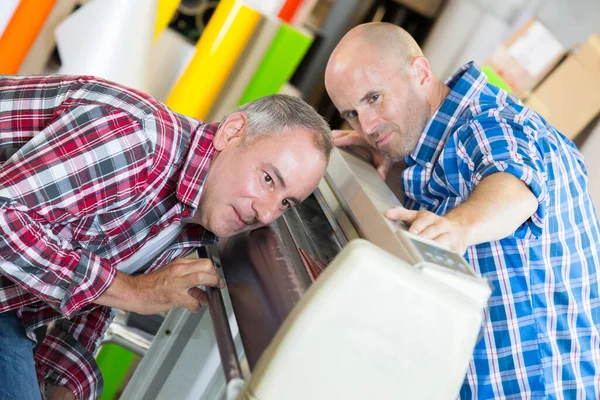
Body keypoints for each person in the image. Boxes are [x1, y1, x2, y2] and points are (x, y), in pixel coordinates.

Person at [0, 74, 332, 400]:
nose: (266, 214)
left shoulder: (194, 216)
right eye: (268, 179)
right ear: (232, 133)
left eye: (286, 203)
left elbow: (100, 295)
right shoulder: (139, 141)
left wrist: (64, 381)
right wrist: (134, 291)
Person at [324, 22, 600, 399]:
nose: (368, 124)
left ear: (420, 72)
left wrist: (458, 227)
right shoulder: (431, 138)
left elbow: (515, 186)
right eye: (352, 112)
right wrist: (387, 153)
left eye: (374, 98)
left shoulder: (488, 124)